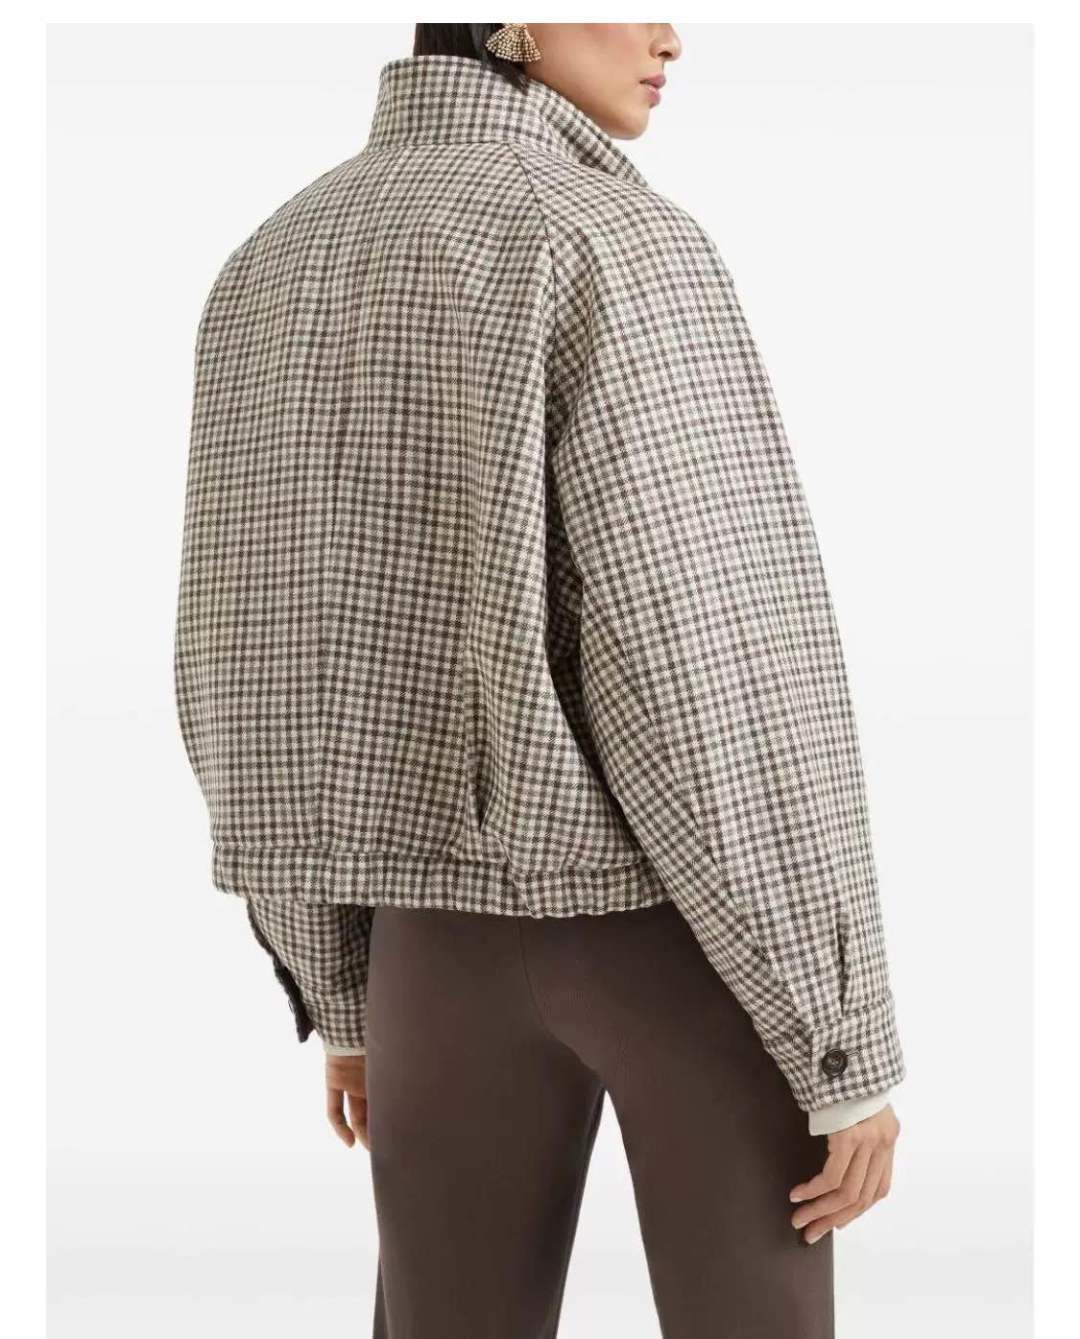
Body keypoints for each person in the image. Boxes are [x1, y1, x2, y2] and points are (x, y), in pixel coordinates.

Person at [175, 22, 905, 1338]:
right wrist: (838, 1035)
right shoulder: (613, 243)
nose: (671, 31)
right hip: (676, 941)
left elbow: (246, 660)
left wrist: (338, 986)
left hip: (426, 957)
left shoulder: (268, 261)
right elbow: (721, 659)